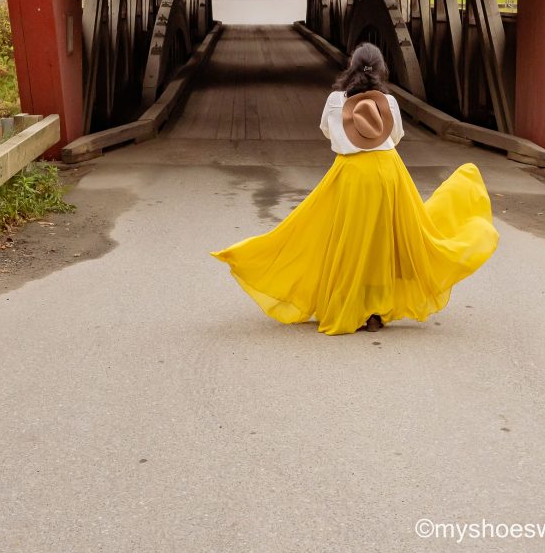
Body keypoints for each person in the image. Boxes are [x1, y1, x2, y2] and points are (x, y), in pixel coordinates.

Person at [210, 42, 499, 336]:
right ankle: (375, 311)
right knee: (381, 240)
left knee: (349, 237)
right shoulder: (389, 102)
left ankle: (348, 301)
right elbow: (395, 136)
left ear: (352, 66)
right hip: (388, 171)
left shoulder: (336, 100)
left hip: (351, 173)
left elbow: (326, 130)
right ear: (382, 69)